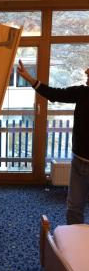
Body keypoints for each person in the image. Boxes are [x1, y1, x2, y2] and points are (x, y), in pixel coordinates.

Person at [17, 59, 89, 225]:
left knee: (74, 207)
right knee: (74, 208)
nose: (86, 72)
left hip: (80, 161)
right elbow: (54, 93)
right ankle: (73, 245)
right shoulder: (83, 93)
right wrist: (29, 78)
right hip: (79, 162)